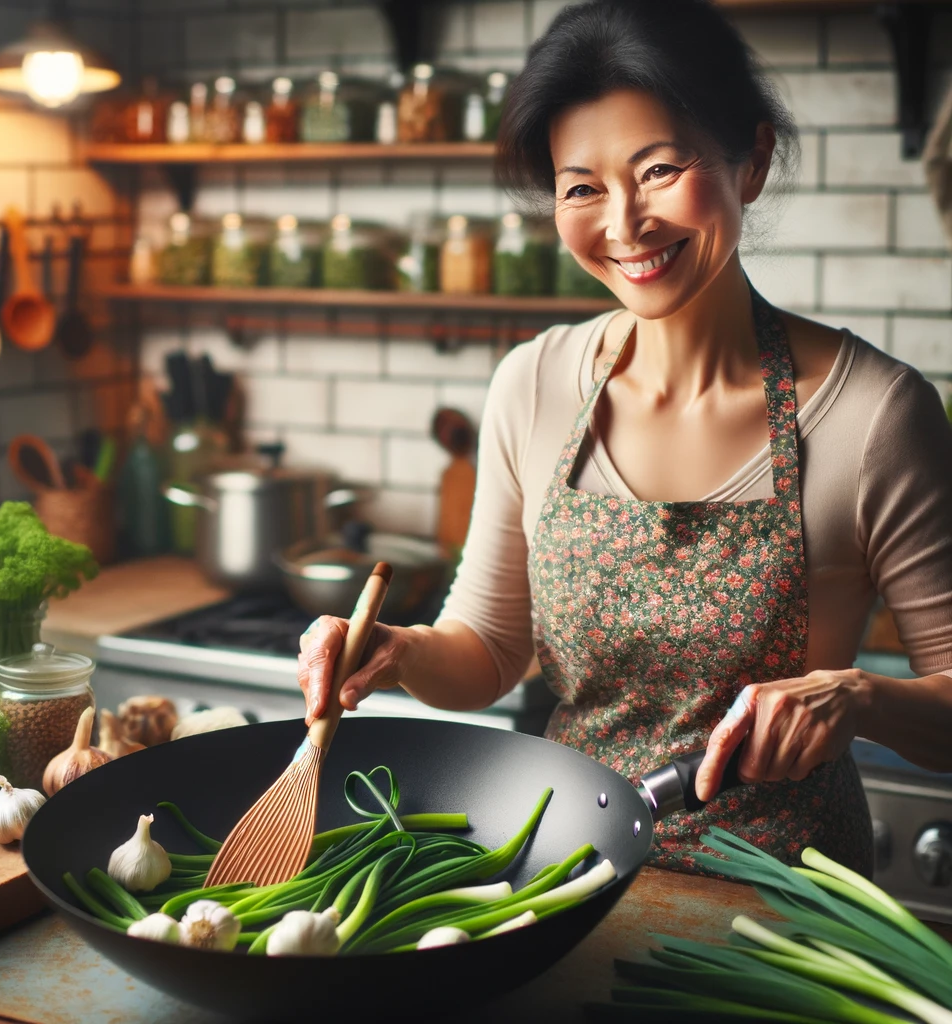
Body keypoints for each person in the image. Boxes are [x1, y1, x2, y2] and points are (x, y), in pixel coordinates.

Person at [299, 0, 952, 874]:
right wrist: (401, 651)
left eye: (658, 169)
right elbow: (490, 651)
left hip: (789, 912)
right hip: (572, 876)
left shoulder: (874, 414)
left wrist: (857, 698)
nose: (623, 223)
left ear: (750, 161)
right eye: (582, 187)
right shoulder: (533, 384)